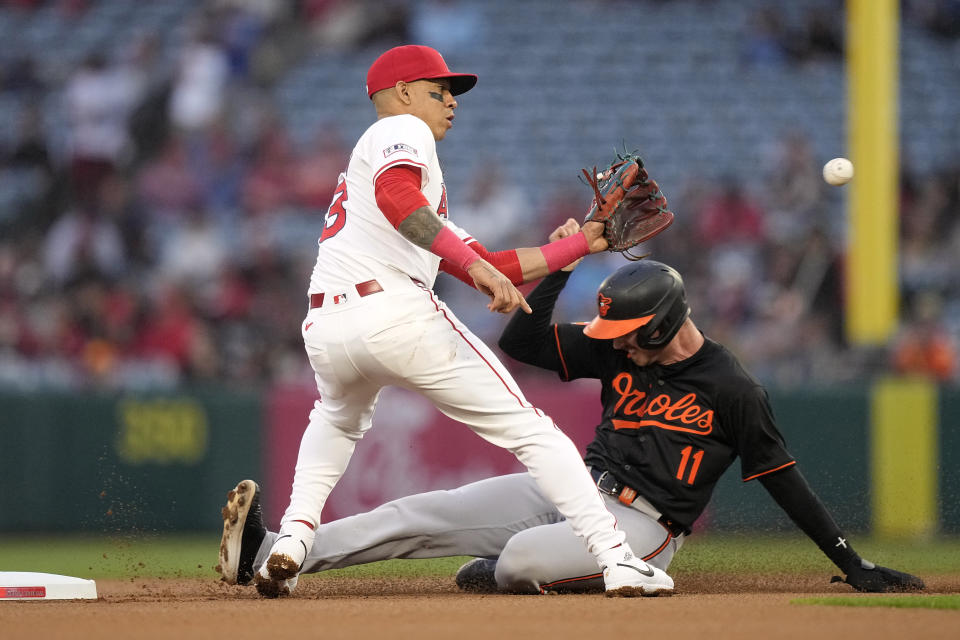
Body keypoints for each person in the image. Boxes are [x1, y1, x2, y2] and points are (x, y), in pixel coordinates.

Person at [217, 225, 925, 595]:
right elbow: (521, 337)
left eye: (624, 334)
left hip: (643, 526)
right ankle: (275, 552)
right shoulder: (621, 347)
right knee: (420, 512)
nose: (612, 343)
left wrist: (850, 561)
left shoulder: (732, 388)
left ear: (664, 323)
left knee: (519, 561)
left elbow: (780, 477)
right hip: (575, 489)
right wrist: (559, 263)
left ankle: (605, 575)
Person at [233, 44, 671, 598]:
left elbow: (489, 261)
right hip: (395, 313)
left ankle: (292, 544)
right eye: (440, 90)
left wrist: (583, 243)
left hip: (329, 327)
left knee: (337, 421)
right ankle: (617, 559)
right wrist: (474, 267)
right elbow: (402, 203)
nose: (451, 102)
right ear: (402, 93)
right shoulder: (401, 132)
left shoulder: (409, 185)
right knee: (533, 432)